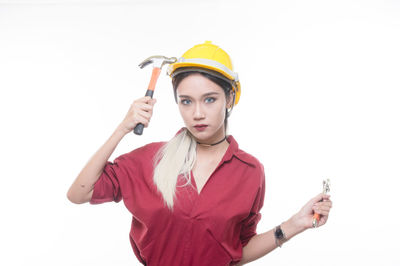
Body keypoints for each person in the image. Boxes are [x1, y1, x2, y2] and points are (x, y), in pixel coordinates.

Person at [67, 41, 333, 266]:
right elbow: (79, 193)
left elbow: (237, 252)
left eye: (209, 99)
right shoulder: (149, 160)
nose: (196, 113)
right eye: (186, 101)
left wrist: (296, 224)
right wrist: (122, 128)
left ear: (229, 99)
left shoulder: (250, 172)